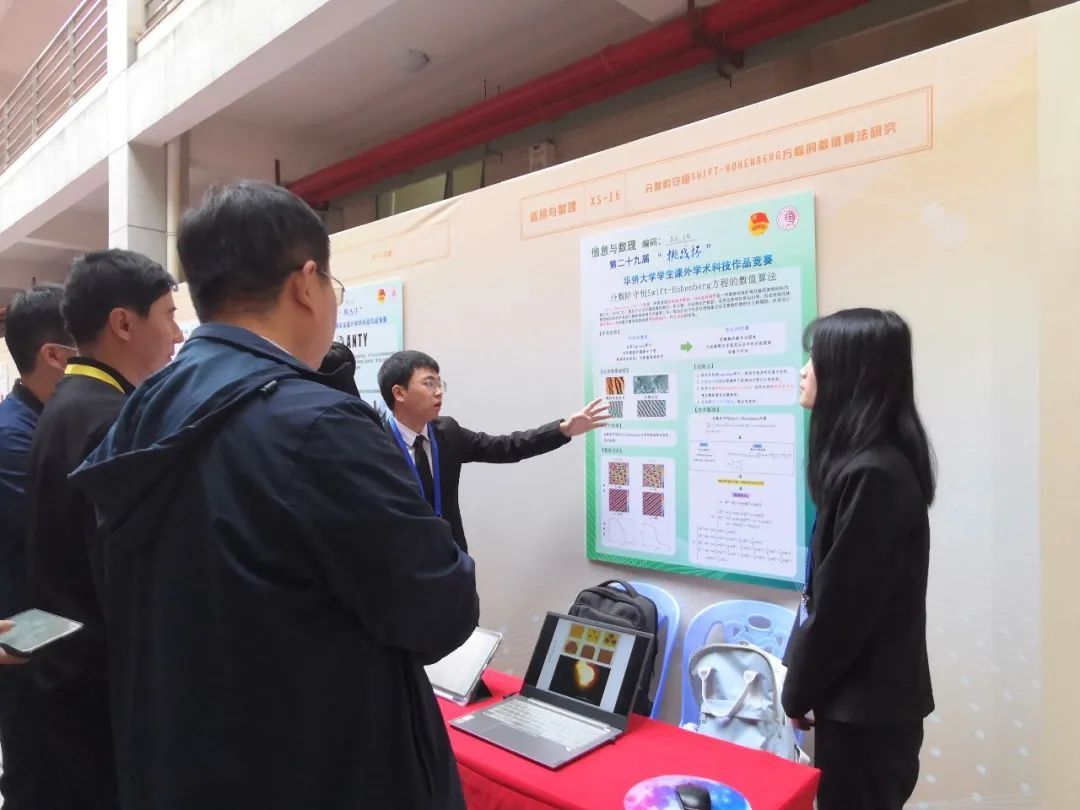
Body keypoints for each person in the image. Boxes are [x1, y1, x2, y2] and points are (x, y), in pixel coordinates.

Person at [70, 180, 479, 810]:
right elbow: (438, 613)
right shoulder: (318, 424)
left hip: (188, 764)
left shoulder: (144, 409)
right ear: (306, 284)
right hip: (325, 769)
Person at [25, 250, 182, 810]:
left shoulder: (71, 403)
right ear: (123, 323)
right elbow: (132, 587)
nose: (177, 333)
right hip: (102, 690)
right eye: (168, 314)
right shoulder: (112, 421)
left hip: (70, 672)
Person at [781, 308, 935, 810]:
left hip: (869, 714)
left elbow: (842, 609)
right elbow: (826, 592)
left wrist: (797, 689)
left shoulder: (875, 475)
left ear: (852, 374)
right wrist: (804, 680)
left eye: (815, 358)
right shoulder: (862, 466)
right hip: (855, 703)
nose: (803, 370)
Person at [377, 350, 609, 551]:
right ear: (399, 393)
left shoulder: (447, 432)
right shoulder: (376, 446)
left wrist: (563, 430)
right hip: (402, 568)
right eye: (429, 384)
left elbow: (506, 447)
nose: (438, 391)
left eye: (440, 384)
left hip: (452, 560)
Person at [0, 284, 75, 808]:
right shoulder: (13, 438)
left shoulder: (43, 424)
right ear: (55, 355)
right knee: (37, 785)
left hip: (51, 644)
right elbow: (66, 535)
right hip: (27, 649)